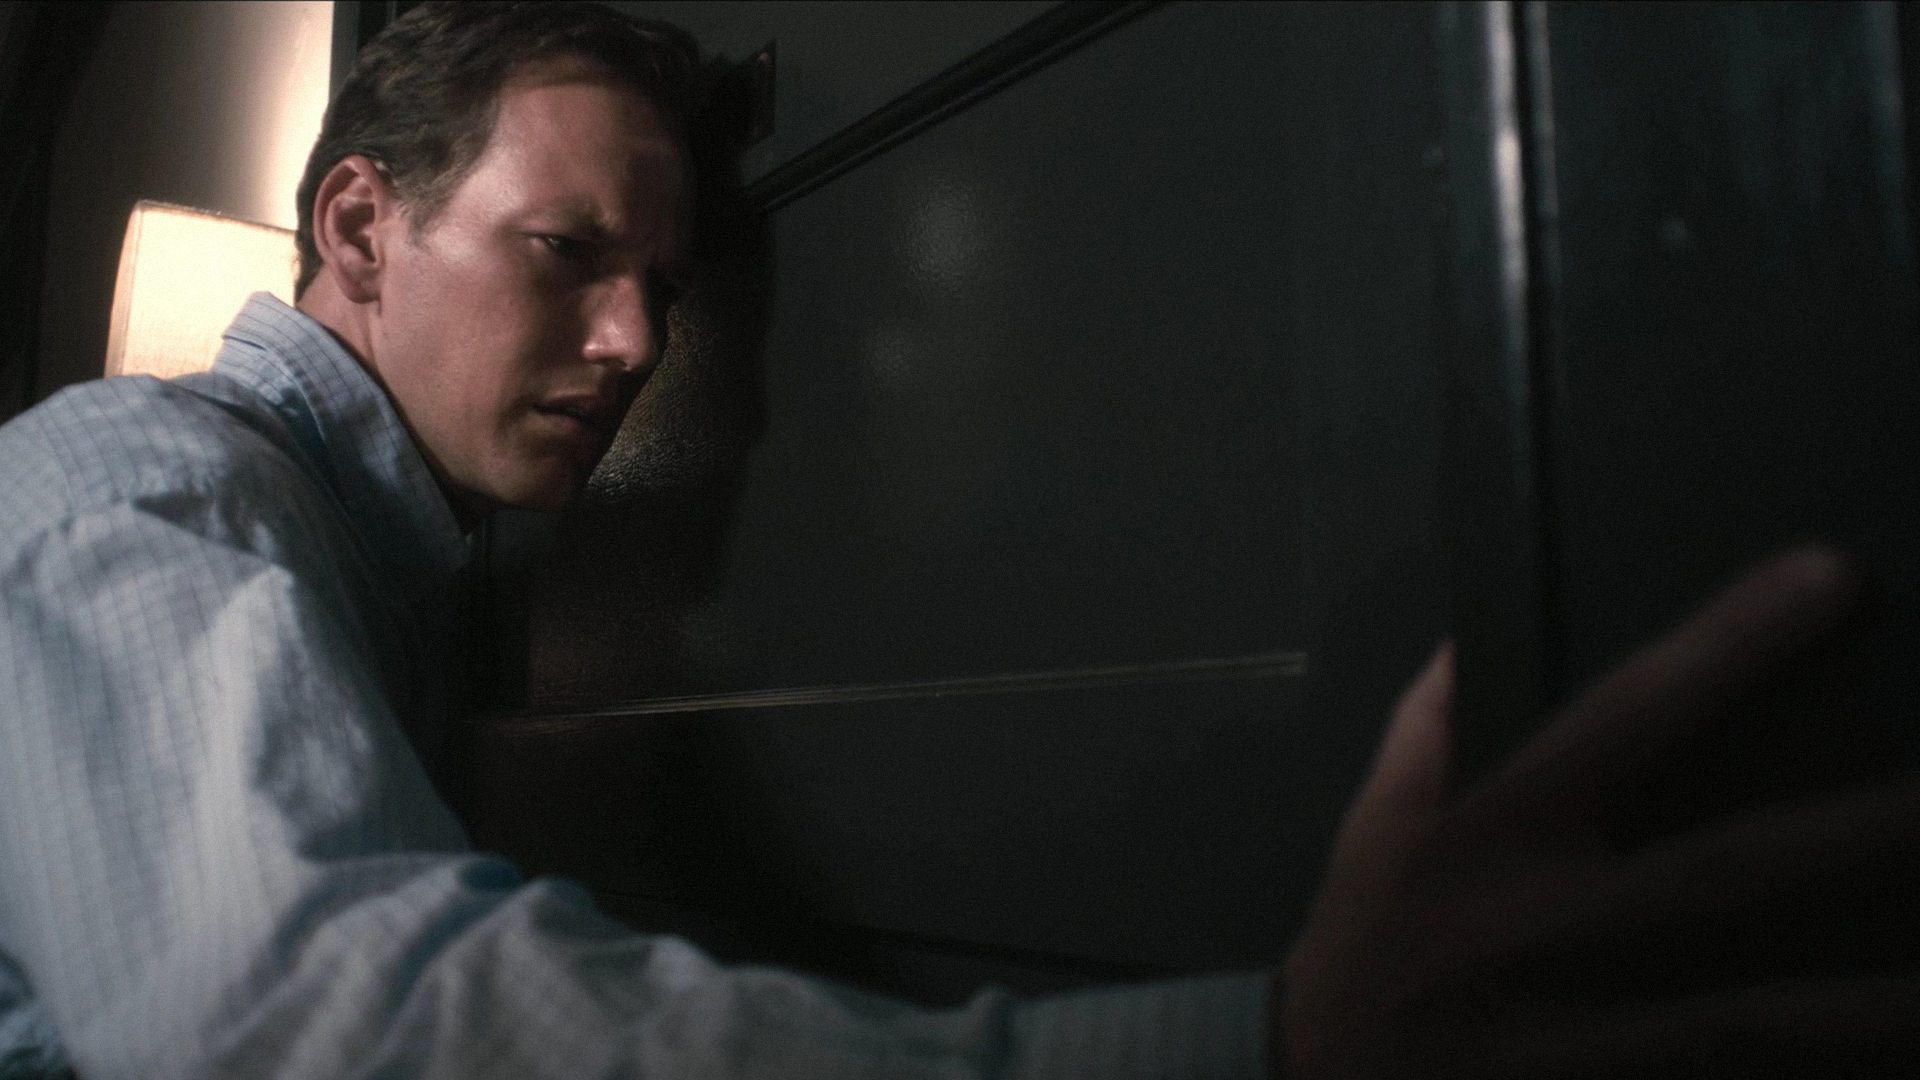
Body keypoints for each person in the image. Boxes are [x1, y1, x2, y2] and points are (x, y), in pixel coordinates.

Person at [0, 3, 1910, 1078]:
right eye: (567, 253)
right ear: (355, 230)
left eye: (662, 283)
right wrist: (1258, 1046)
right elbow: (306, 1024)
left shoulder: (378, 556)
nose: (637, 342)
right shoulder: (138, 488)